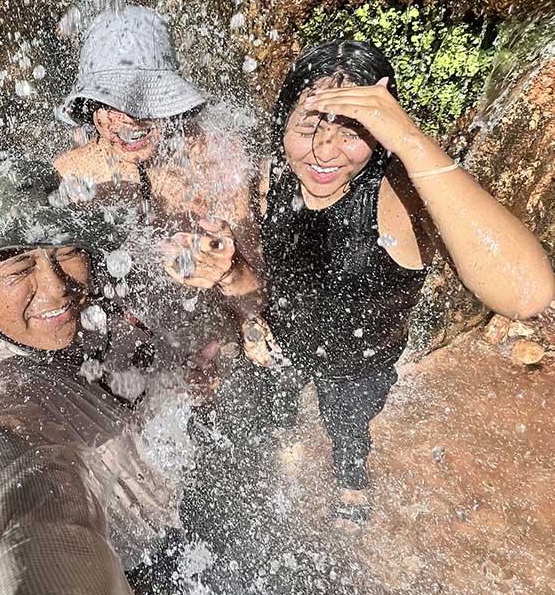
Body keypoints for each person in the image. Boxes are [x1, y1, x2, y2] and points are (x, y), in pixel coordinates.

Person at [169, 39, 555, 520]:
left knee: (349, 423)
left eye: (353, 130)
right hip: (285, 343)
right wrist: (235, 280)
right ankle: (272, 463)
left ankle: (352, 477)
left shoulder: (400, 197)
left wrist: (409, 139)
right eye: (309, 125)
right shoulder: (272, 176)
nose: (325, 151)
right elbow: (269, 276)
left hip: (360, 363)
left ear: (380, 132)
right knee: (262, 417)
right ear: (283, 124)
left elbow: (527, 293)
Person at [0, 161, 180, 595]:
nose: (58, 286)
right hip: (121, 585)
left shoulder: (87, 316)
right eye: (17, 269)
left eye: (68, 252)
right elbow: (2, 471)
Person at [54, 4, 263, 373]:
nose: (131, 117)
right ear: (90, 107)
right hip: (123, 360)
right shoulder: (70, 173)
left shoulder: (219, 159)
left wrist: (230, 273)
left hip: (209, 343)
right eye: (112, 101)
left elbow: (256, 296)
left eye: (149, 100)